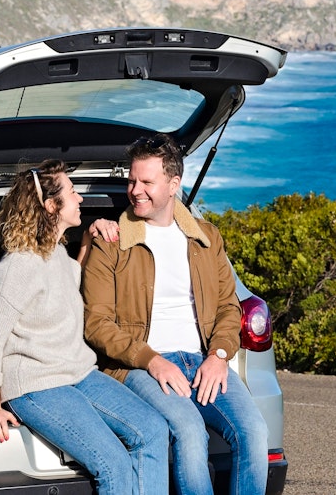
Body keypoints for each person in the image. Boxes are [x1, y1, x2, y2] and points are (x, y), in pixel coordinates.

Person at [82, 134, 269, 495]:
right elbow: (96, 324)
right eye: (132, 180)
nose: (135, 190)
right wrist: (151, 361)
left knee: (254, 432)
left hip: (203, 361)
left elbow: (229, 308)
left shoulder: (206, 237)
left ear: (173, 185)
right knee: (188, 431)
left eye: (147, 182)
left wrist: (218, 356)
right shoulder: (112, 242)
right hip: (138, 366)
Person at [0, 159, 168, 495]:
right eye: (73, 192)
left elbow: (68, 281)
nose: (80, 199)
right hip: (37, 385)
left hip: (78, 374)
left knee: (152, 429)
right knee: (114, 465)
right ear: (51, 206)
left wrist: (89, 243)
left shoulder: (56, 256)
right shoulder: (17, 269)